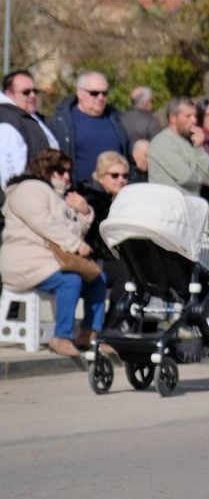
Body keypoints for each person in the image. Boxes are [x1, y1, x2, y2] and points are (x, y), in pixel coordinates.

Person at [0, 149, 107, 356]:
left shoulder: (57, 197)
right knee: (71, 280)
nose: (67, 177)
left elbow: (72, 230)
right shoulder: (29, 188)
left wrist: (84, 212)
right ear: (46, 169)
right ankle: (62, 337)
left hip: (49, 262)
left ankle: (89, 335)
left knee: (97, 278)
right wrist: (75, 244)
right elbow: (43, 223)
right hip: (25, 262)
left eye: (69, 172)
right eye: (60, 171)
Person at [49, 72, 131, 185]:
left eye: (104, 93)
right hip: (80, 193)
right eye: (94, 93)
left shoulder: (116, 120)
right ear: (80, 93)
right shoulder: (62, 123)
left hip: (115, 193)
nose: (100, 97)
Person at [78, 150, 131, 317]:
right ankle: (111, 325)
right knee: (126, 272)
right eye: (114, 175)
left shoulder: (122, 199)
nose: (121, 180)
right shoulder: (91, 198)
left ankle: (139, 324)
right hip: (92, 257)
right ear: (101, 176)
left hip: (112, 256)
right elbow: (96, 237)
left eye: (124, 176)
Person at [0, 69, 56, 188]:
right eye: (26, 92)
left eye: (34, 91)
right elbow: (11, 174)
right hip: (26, 196)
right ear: (9, 93)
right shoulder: (7, 121)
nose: (32, 96)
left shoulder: (33, 117)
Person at [148, 98, 209, 195]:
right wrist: (201, 179)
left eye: (195, 116)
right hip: (170, 206)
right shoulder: (163, 142)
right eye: (188, 116)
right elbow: (186, 177)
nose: (194, 120)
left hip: (191, 205)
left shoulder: (190, 141)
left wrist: (199, 148)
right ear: (173, 119)